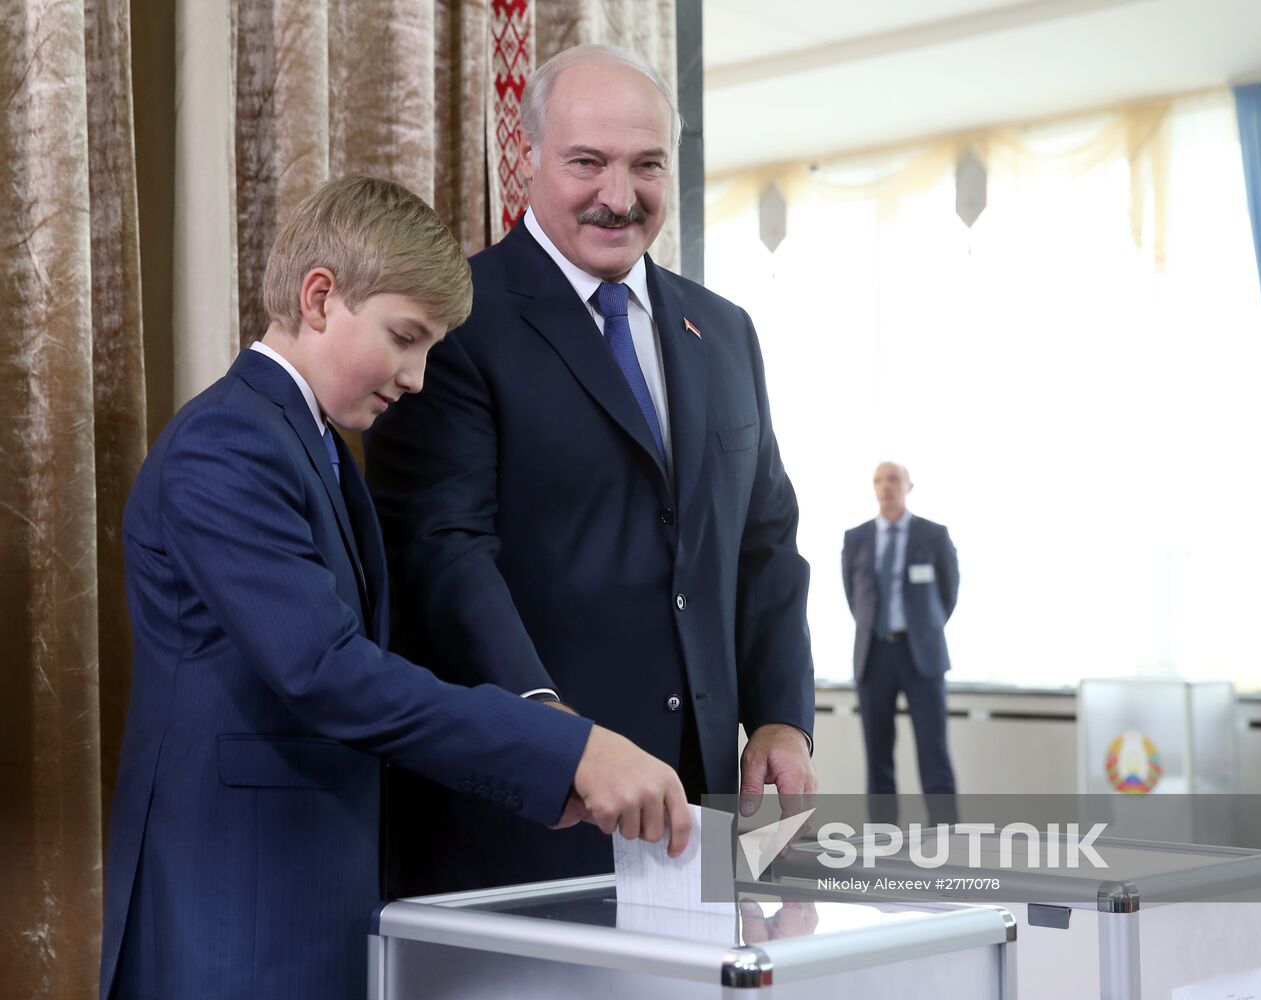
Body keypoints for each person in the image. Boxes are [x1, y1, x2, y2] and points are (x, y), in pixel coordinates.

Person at [99, 174, 691, 1000]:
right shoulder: (227, 446)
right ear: (318, 297)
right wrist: (563, 746)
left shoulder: (313, 444)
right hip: (238, 903)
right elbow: (327, 672)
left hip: (306, 891)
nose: (415, 377)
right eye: (404, 337)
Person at [364, 44, 816, 894]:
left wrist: (784, 718)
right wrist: (549, 733)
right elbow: (441, 551)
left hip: (706, 816)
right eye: (587, 163)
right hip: (525, 815)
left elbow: (765, 541)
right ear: (525, 159)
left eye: (646, 165)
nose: (620, 195)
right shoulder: (453, 322)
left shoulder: (726, 332)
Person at [842, 462, 959, 824]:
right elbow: (853, 594)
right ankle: (882, 837)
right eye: (878, 480)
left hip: (920, 654)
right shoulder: (856, 538)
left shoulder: (933, 535)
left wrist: (924, 628)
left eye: (893, 479)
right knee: (877, 751)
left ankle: (946, 833)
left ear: (909, 486)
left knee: (932, 748)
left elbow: (948, 593)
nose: (885, 486)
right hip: (874, 655)